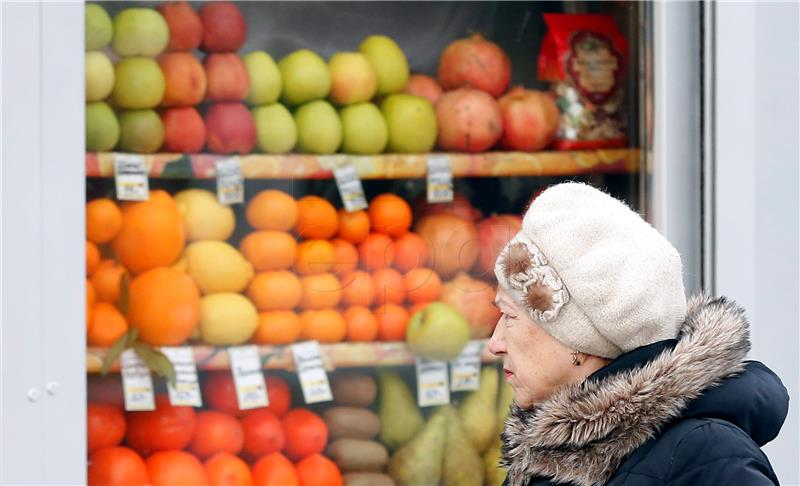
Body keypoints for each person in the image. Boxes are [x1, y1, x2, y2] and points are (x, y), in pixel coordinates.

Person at [488, 182, 788, 486]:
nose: (495, 344)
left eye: (509, 316)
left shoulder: (708, 458)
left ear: (579, 342)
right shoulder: (555, 446)